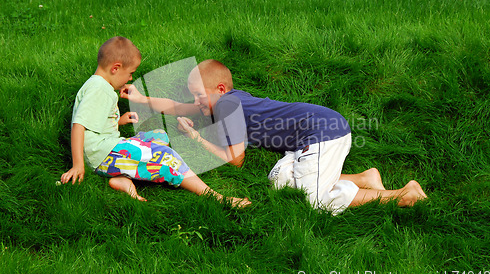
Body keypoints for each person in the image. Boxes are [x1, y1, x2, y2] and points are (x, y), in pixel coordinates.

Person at [122, 59, 427, 215]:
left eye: (199, 96)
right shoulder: (226, 102)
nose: (197, 102)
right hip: (313, 136)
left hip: (322, 134)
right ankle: (363, 178)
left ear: (220, 90)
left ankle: (403, 194)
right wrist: (142, 98)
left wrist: (195, 137)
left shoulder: (227, 106)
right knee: (280, 179)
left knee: (315, 203)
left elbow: (236, 159)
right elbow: (176, 107)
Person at [61, 38, 250, 208]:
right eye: (130, 73)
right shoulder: (99, 90)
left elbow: (94, 126)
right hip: (101, 155)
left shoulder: (98, 86)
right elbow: (79, 125)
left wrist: (118, 122)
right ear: (115, 68)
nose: (130, 79)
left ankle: (120, 178)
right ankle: (216, 197)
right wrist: (78, 165)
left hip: (104, 150)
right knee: (167, 156)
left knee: (159, 134)